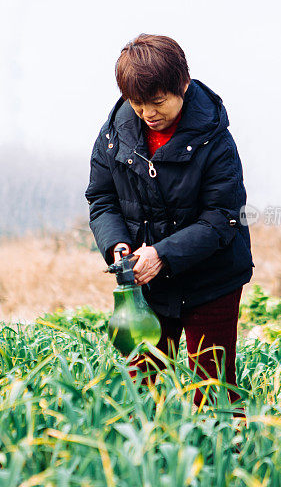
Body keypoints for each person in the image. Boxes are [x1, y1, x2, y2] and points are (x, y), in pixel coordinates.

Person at [85, 34, 254, 410]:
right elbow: (102, 199)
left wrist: (163, 253)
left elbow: (222, 218)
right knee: (141, 389)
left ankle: (224, 458)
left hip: (211, 280)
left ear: (183, 85)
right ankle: (151, 462)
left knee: (212, 391)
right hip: (145, 283)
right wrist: (117, 245)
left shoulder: (216, 141)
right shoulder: (114, 137)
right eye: (138, 102)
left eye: (158, 101)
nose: (148, 113)